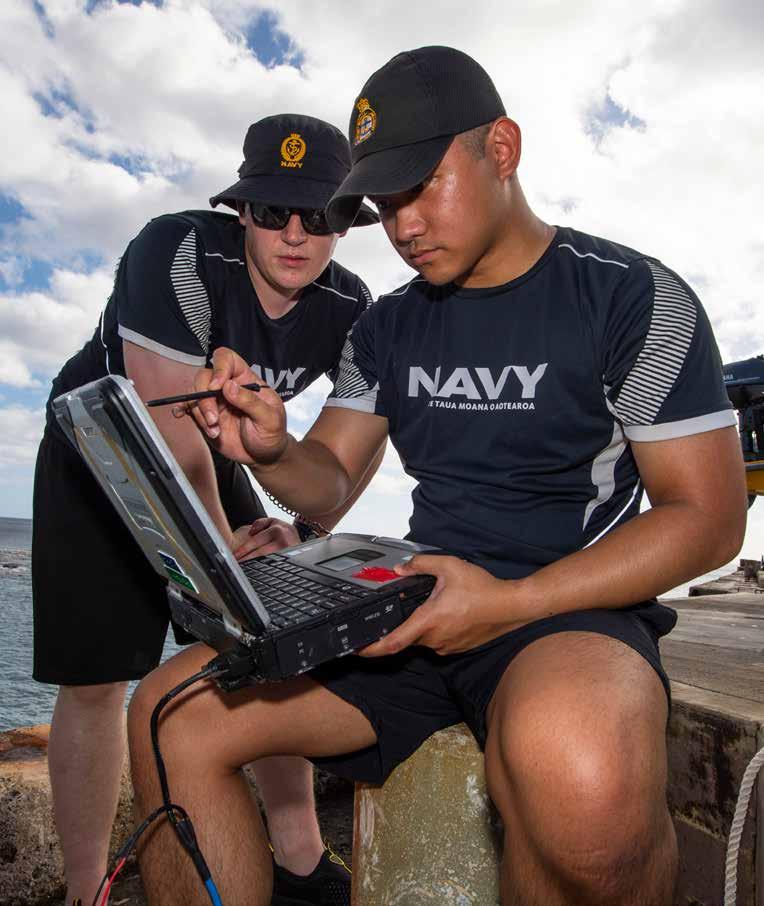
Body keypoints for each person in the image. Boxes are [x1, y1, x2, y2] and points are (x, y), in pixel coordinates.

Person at [127, 47, 748, 906]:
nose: (404, 226)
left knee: (584, 782)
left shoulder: (632, 298)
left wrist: (509, 604)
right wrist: (270, 449)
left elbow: (709, 519)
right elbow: (330, 481)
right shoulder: (386, 326)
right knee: (168, 714)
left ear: (502, 149)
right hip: (414, 606)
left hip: (565, 607)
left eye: (420, 187)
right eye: (385, 206)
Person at [32, 113, 382, 906]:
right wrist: (230, 573)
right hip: (103, 444)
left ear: (345, 223)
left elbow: (358, 442)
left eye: (320, 215)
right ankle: (87, 890)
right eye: (274, 210)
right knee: (96, 679)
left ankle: (299, 858)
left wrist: (306, 531)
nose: (295, 234)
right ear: (242, 209)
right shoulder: (178, 250)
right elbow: (168, 434)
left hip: (216, 449)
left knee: (268, 645)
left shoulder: (352, 305)